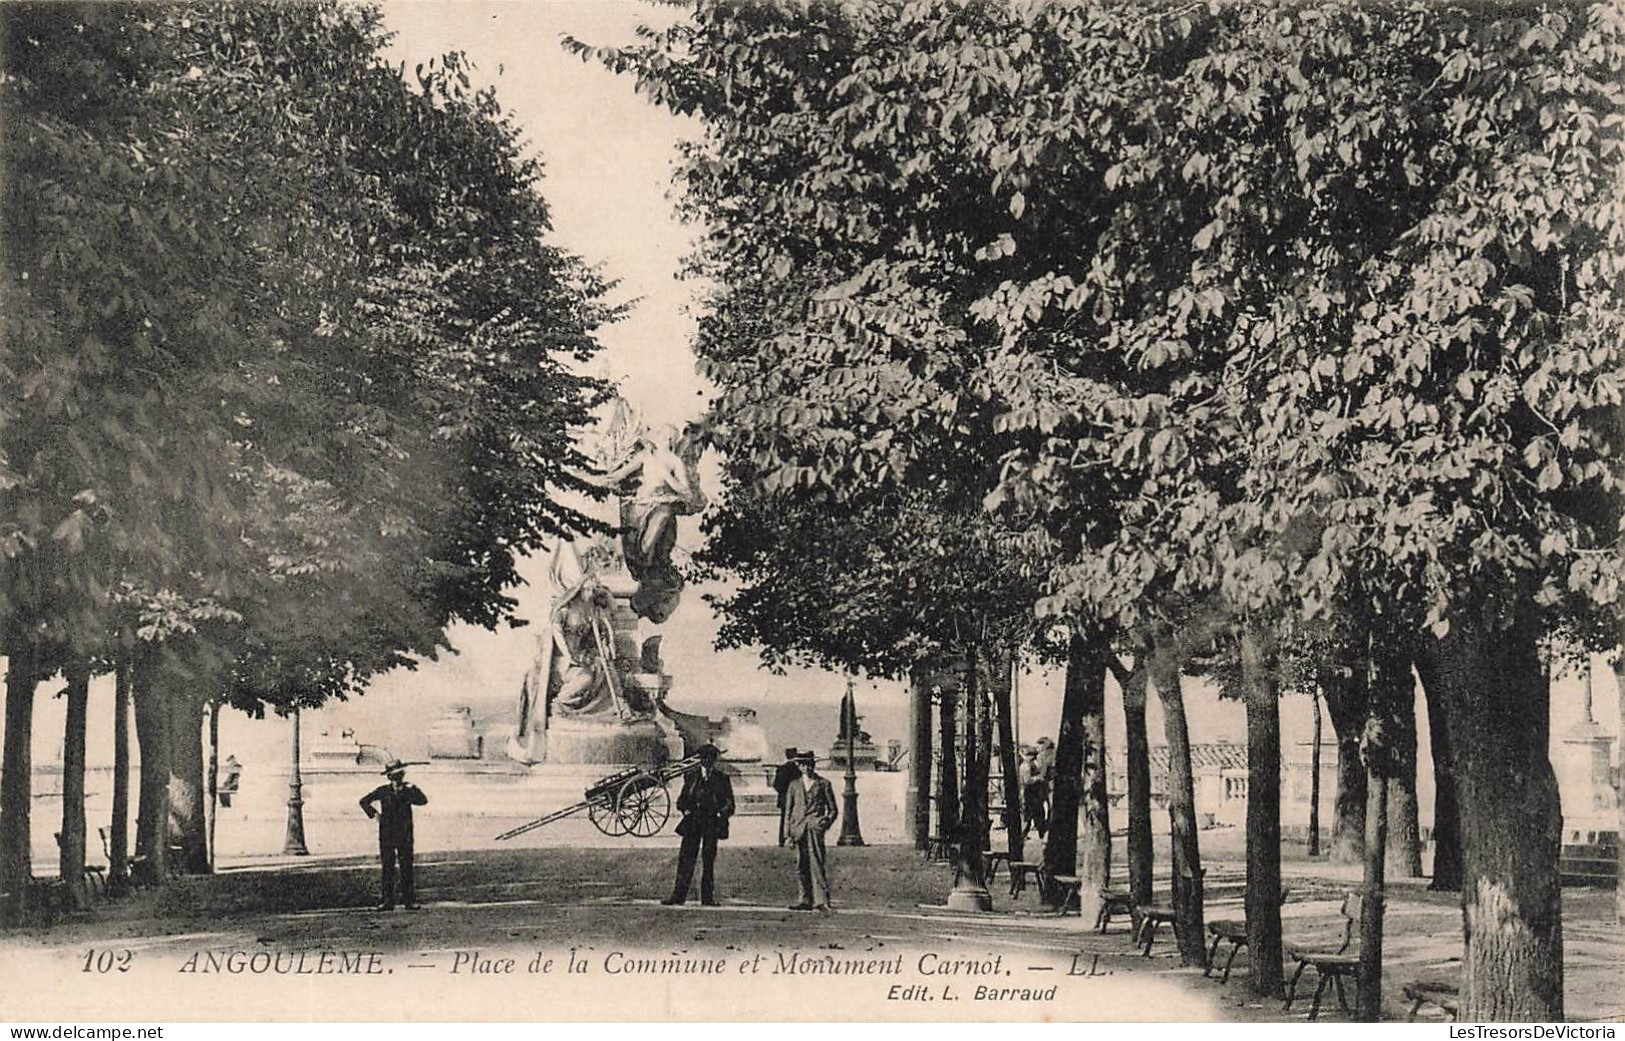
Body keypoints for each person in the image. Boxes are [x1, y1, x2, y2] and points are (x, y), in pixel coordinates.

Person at [663, 744, 734, 906]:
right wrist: (686, 811)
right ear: (700, 760)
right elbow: (681, 801)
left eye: (710, 758)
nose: (707, 761)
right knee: (686, 860)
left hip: (711, 823)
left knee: (708, 862)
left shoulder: (722, 778)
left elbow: (729, 803)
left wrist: (720, 814)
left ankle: (707, 898)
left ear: (715, 760)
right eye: (704, 758)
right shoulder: (691, 777)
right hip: (693, 822)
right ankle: (678, 896)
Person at [359, 760, 428, 911]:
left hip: (405, 833)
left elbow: (423, 801)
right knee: (387, 867)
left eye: (400, 775)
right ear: (389, 777)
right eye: (394, 776)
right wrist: (375, 814)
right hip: (387, 833)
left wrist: (415, 789)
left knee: (406, 867)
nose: (398, 778)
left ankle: (409, 901)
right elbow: (364, 801)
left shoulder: (409, 790)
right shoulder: (383, 791)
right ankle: (387, 901)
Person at [783, 751, 839, 913]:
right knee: (801, 865)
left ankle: (821, 900)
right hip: (798, 829)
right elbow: (788, 810)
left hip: (815, 829)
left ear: (813, 765)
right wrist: (787, 834)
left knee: (817, 862)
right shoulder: (794, 785)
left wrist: (824, 823)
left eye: (809, 764)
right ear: (798, 767)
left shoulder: (823, 784)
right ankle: (804, 899)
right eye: (803, 765)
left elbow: (833, 809)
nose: (806, 768)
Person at [771, 748, 801, 847]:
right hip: (797, 798)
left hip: (784, 798)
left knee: (784, 818)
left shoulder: (782, 769)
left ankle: (782, 839)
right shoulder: (798, 770)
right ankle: (796, 838)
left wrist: (784, 793)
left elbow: (776, 785)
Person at [1018, 746, 1049, 839]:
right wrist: (1038, 778)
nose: (1033, 758)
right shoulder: (1025, 766)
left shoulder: (1031, 765)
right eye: (1032, 755)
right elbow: (1027, 780)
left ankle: (1040, 834)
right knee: (1030, 815)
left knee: (1037, 814)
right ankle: (1024, 834)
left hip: (1033, 793)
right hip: (1029, 792)